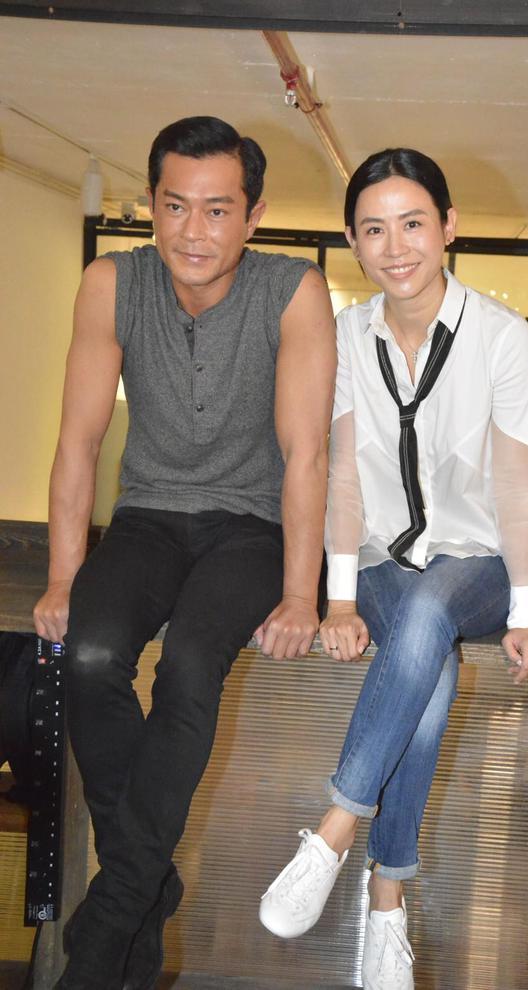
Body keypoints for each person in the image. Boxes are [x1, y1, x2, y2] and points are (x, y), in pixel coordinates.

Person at [32, 115, 336, 990]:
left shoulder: (293, 289)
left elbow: (307, 453)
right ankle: (146, 884)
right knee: (89, 654)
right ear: (152, 205)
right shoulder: (112, 282)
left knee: (193, 664)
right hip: (147, 519)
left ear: (253, 214)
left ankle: (108, 922)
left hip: (250, 526)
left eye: (217, 210)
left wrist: (301, 594)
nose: (193, 231)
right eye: (175, 206)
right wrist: (62, 577)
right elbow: (78, 441)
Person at [259, 148, 528, 990]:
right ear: (353, 242)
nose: (395, 248)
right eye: (373, 230)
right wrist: (341, 601)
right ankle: (386, 900)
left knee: (433, 610)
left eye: (413, 224)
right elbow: (343, 475)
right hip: (385, 566)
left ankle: (334, 830)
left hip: (491, 562)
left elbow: (517, 482)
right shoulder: (346, 338)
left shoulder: (499, 336)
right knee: (429, 661)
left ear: (448, 227)